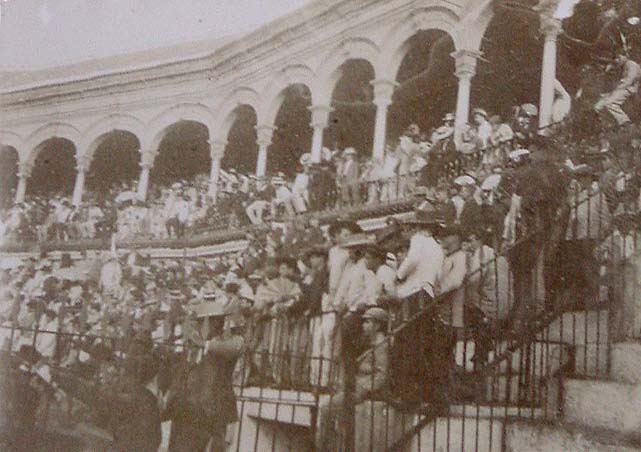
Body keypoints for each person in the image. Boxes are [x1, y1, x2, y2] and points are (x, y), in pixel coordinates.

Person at [166, 301, 244, 452]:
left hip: (213, 412)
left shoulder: (227, 341)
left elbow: (236, 347)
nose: (200, 326)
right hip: (187, 411)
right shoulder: (192, 343)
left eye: (204, 321)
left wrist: (204, 344)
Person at [316, 307, 389, 452]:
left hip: (361, 390)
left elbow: (382, 375)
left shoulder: (381, 346)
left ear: (378, 325)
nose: (364, 325)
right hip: (355, 387)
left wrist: (364, 389)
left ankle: (323, 449)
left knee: (326, 409)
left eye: (368, 322)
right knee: (340, 419)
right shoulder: (371, 344)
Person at [595, 53, 641, 125]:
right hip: (622, 88)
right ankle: (599, 123)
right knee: (599, 104)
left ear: (625, 56)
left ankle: (625, 122)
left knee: (610, 103)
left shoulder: (632, 64)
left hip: (628, 89)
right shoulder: (623, 66)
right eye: (616, 58)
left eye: (619, 58)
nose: (617, 60)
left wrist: (616, 90)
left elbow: (629, 80)